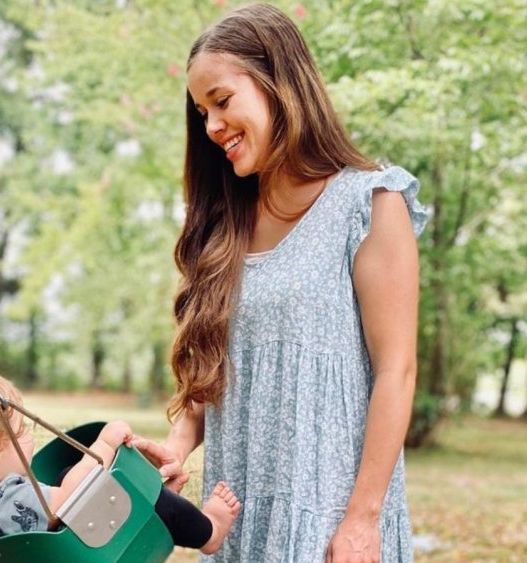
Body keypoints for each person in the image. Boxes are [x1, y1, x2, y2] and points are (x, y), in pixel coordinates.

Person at [132, 3, 430, 562]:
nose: (212, 126)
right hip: (239, 514)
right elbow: (216, 363)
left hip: (330, 516)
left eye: (222, 101)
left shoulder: (369, 203)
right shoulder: (224, 223)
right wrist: (177, 448)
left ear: (280, 83)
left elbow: (397, 370)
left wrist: (362, 520)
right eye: (201, 112)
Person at [0, 369, 240, 554]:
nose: (29, 436)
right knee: (82, 479)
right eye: (21, 429)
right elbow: (69, 497)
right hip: (91, 553)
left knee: (79, 481)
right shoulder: (6, 503)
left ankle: (158, 501)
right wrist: (104, 443)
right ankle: (209, 530)